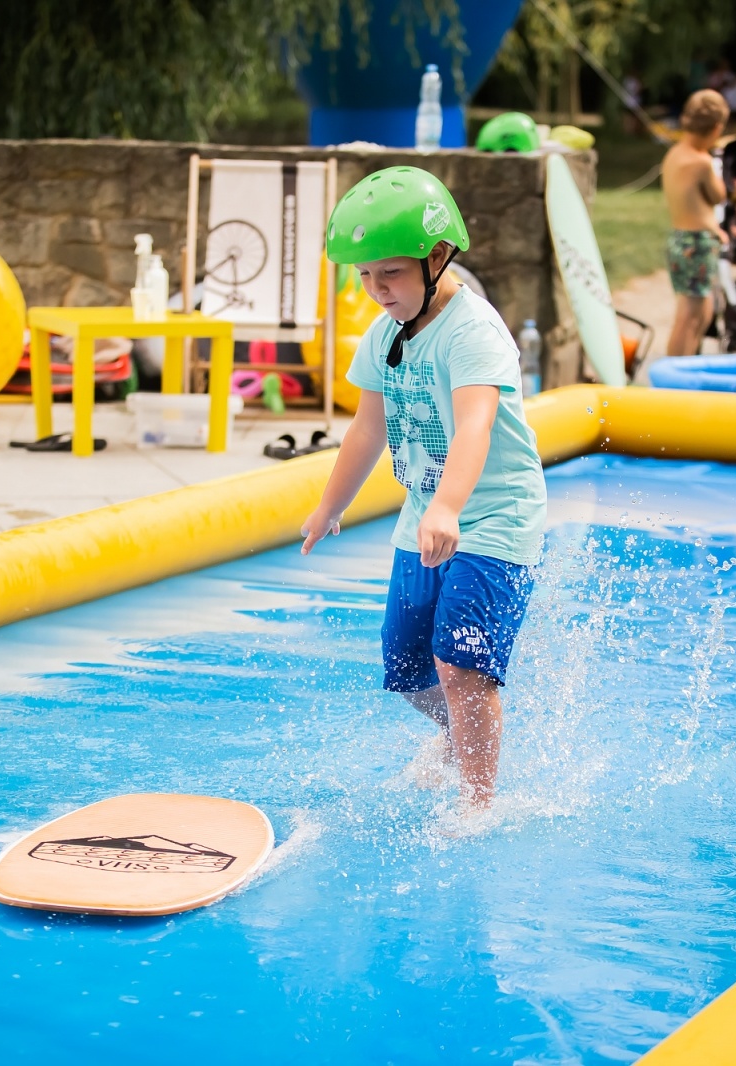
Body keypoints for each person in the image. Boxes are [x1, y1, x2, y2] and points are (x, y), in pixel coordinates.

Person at [298, 167, 547, 817]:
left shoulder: (473, 332)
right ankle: (462, 733)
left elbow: (475, 423)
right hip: (425, 516)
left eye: (391, 274)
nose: (377, 291)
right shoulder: (385, 335)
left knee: (460, 665)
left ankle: (478, 802)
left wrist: (447, 506)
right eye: (366, 277)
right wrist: (330, 506)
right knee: (409, 667)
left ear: (437, 258)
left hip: (492, 516)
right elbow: (366, 428)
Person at [662, 89, 730, 356]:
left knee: (699, 312)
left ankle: (685, 365)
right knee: (691, 316)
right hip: (697, 243)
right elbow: (718, 196)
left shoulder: (674, 154)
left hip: (679, 239)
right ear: (716, 128)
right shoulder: (701, 162)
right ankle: (675, 376)